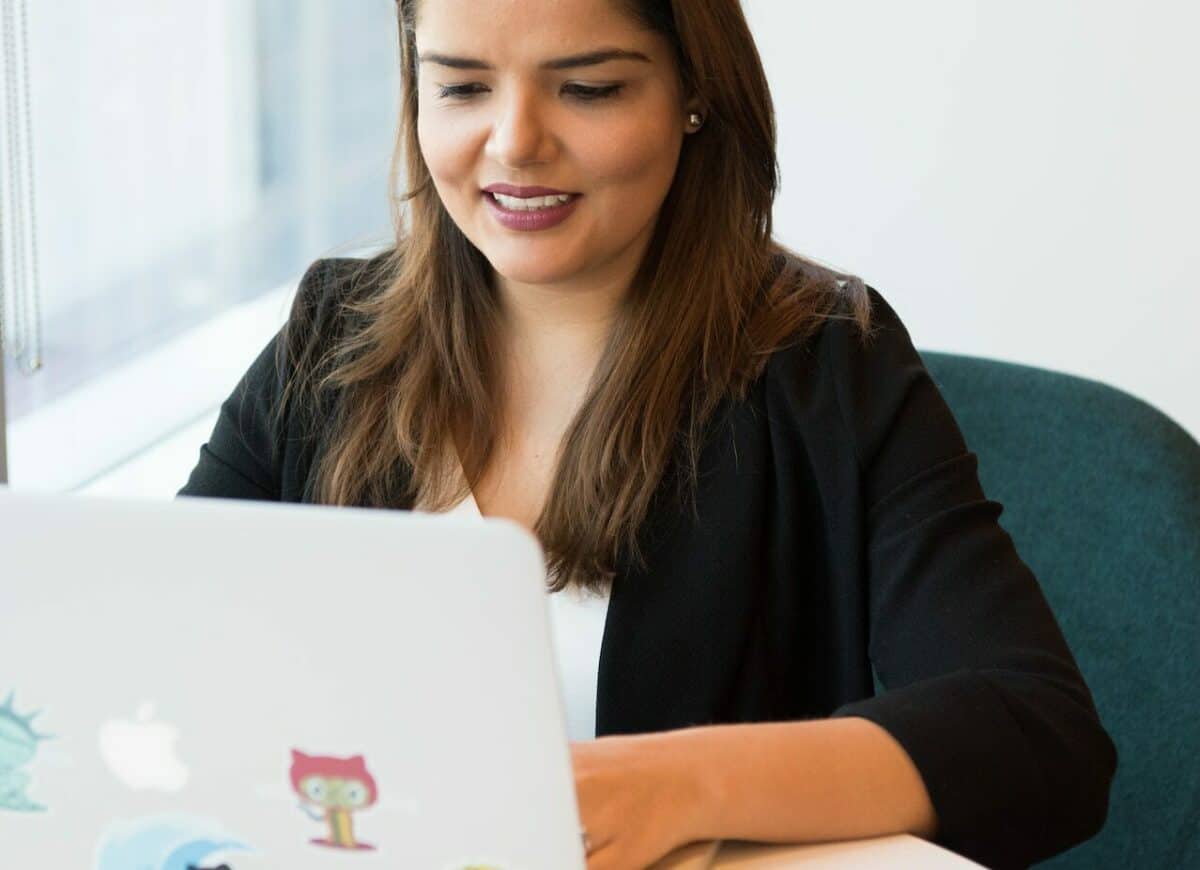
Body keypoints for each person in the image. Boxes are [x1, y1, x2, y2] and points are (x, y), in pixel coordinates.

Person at [178, 1, 1117, 868]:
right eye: (461, 86)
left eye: (589, 88)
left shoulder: (824, 363)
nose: (513, 143)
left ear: (694, 94)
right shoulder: (331, 337)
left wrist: (670, 789)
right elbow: (159, 651)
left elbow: (1036, 737)